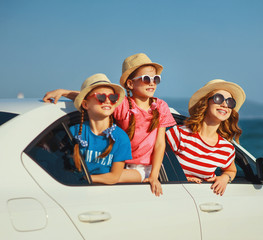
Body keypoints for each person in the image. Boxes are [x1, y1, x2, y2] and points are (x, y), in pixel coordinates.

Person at [43, 53, 176, 196]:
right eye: (146, 79)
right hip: (118, 162)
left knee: (110, 177)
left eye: (156, 79)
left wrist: (154, 176)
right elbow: (94, 98)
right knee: (105, 173)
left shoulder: (161, 106)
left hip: (143, 169)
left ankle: (78, 179)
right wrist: (64, 92)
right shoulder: (122, 104)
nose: (152, 83)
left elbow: (160, 144)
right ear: (130, 84)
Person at [165, 79, 246, 196]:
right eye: (219, 98)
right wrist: (180, 179)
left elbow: (231, 170)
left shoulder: (226, 148)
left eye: (230, 102)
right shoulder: (179, 134)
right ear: (205, 103)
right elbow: (155, 161)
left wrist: (224, 178)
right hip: (173, 197)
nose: (224, 105)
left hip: (205, 202)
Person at [70, 73, 132, 184]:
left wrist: (85, 179)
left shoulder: (121, 138)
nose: (108, 101)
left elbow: (114, 177)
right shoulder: (73, 132)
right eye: (101, 97)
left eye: (113, 98)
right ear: (85, 104)